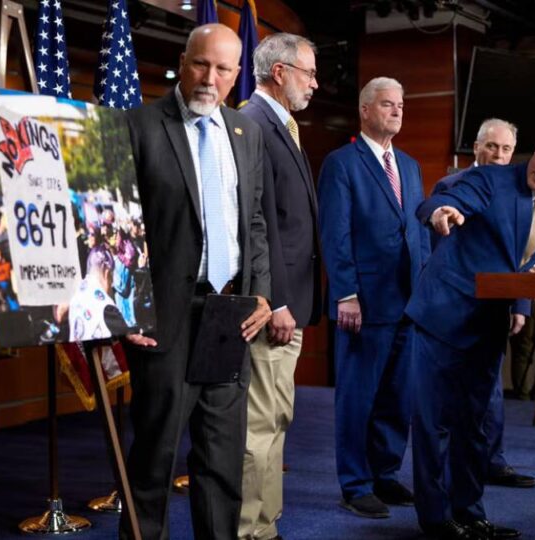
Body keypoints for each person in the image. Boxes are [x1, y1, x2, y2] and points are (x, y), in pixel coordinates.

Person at [407, 124, 535, 539]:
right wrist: (442, 212)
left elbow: (518, 258)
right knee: (435, 423)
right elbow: (444, 199)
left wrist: (524, 293)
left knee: (475, 427)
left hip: (488, 324)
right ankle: (437, 521)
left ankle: (470, 514)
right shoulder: (490, 178)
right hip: (445, 314)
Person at [122, 23, 272, 540]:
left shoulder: (244, 132)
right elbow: (119, 228)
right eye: (201, 64)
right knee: (154, 456)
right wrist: (125, 309)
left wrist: (262, 295)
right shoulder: (138, 125)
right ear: (182, 63)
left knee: (222, 455)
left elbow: (253, 220)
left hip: (230, 314)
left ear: (237, 76)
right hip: (164, 316)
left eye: (223, 68)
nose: (210, 77)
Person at [317, 76, 429, 519]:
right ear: (365, 110)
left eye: (400, 104)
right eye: (387, 104)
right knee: (358, 397)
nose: (397, 111)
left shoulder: (411, 165)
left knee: (397, 397)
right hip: (362, 303)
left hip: (409, 302)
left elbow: (415, 231)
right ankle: (355, 483)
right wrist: (345, 293)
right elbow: (335, 233)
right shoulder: (341, 163)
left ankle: (384, 473)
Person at [235, 32, 322, 539]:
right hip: (274, 304)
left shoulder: (281, 124)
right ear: (280, 71)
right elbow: (257, 222)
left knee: (276, 419)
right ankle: (251, 531)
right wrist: (280, 300)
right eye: (309, 72)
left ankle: (266, 525)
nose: (314, 82)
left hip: (290, 302)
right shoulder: (253, 122)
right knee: (260, 426)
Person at [432, 118, 535, 490]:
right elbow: (438, 252)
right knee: (448, 397)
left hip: (495, 309)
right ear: (475, 147)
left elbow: (523, 255)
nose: (498, 154)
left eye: (506, 149)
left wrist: (520, 304)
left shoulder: (520, 193)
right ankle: (453, 471)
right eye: (491, 146)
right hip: (452, 310)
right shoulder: (450, 187)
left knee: (490, 392)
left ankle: (493, 461)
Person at [68, 244, 128, 341]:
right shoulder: (107, 307)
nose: (111, 284)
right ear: (107, 273)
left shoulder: (75, 294)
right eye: (111, 278)